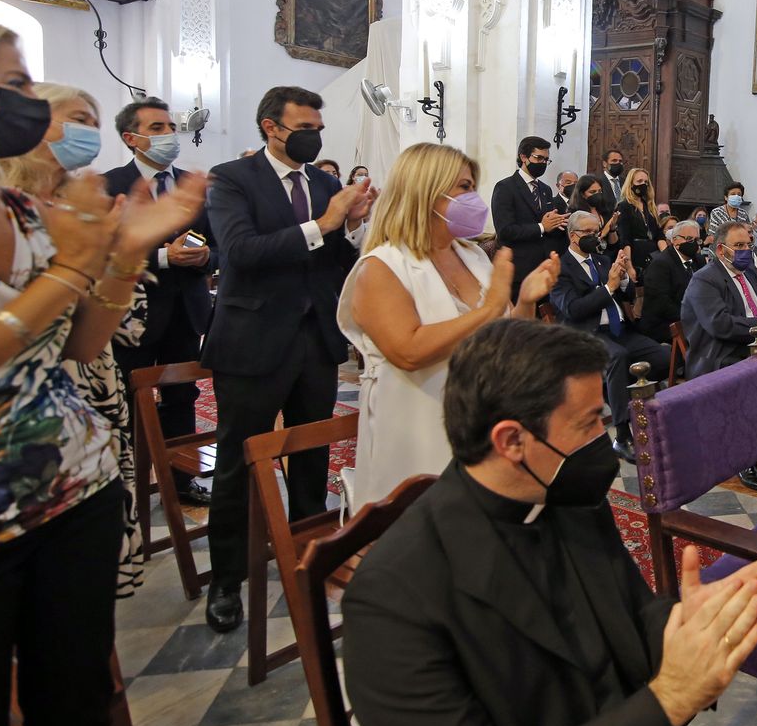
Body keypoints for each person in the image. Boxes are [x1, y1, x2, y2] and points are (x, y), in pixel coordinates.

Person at [0, 6, 204, 726]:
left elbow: (81, 342)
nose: (31, 105)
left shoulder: (20, 210)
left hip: (75, 490)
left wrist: (125, 255)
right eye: (13, 85)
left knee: (74, 709)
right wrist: (73, 269)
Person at [342, 318, 757, 726]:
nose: (602, 440)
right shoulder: (393, 598)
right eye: (587, 425)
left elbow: (630, 618)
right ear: (511, 440)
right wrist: (672, 698)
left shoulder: (569, 500)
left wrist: (689, 623)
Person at [200, 85, 374, 634]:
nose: (315, 135)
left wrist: (349, 228)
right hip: (253, 339)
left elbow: (331, 264)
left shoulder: (324, 184)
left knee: (310, 455)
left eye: (319, 126)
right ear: (272, 127)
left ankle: (306, 554)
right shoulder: (232, 179)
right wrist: (324, 225)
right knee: (238, 463)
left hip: (313, 342)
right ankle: (227, 578)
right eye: (305, 126)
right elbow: (241, 252)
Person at [339, 143, 557, 509]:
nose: (473, 198)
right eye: (462, 187)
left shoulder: (470, 255)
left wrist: (525, 301)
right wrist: (489, 306)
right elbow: (408, 352)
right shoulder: (383, 266)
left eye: (472, 186)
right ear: (425, 191)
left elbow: (499, 336)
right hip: (415, 421)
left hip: (481, 416)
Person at [1, 82, 151, 599]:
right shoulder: (1, 211)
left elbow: (111, 331)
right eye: (76, 119)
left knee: (83, 598)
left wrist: (128, 258)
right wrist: (80, 264)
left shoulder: (90, 205)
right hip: (19, 410)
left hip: (92, 397)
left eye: (94, 121)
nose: (88, 132)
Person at [104, 95, 215, 507]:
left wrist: (206, 256)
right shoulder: (109, 185)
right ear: (131, 138)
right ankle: (126, 488)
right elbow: (104, 252)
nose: (169, 134)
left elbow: (221, 247)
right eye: (156, 129)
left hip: (186, 313)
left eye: (170, 127)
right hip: (131, 314)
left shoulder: (193, 186)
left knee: (182, 400)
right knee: (129, 402)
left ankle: (182, 481)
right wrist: (165, 257)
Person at [550, 212, 669, 464]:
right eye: (589, 233)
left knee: (665, 357)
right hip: (586, 335)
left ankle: (629, 403)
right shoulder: (560, 268)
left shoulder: (602, 261)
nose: (596, 237)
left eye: (597, 232)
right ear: (573, 236)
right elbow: (573, 310)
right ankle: (622, 436)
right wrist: (609, 287)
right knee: (618, 358)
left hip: (620, 330)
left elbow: (624, 296)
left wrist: (624, 278)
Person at [680, 222, 757, 492]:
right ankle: (744, 459)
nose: (745, 251)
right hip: (719, 352)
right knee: (748, 377)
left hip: (752, 343)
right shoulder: (705, 278)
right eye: (738, 246)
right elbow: (718, 324)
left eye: (748, 245)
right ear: (721, 249)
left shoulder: (749, 273)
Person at [489, 135, 566, 297]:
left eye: (546, 160)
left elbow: (547, 225)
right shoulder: (505, 187)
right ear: (523, 157)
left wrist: (560, 223)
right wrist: (541, 227)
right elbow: (505, 231)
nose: (543, 163)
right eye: (539, 158)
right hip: (518, 268)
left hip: (543, 266)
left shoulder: (545, 189)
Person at [637, 219, 702, 343]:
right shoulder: (661, 264)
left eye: (697, 240)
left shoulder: (698, 260)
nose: (693, 243)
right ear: (675, 240)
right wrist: (692, 317)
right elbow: (662, 304)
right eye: (689, 239)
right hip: (664, 325)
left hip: (692, 320)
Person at [615, 167, 667, 271]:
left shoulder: (650, 206)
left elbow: (659, 236)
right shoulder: (624, 206)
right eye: (639, 181)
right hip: (635, 254)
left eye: (646, 182)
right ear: (631, 184)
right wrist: (629, 266)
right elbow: (625, 239)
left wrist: (667, 258)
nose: (643, 184)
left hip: (653, 255)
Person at [572, 172, 621, 249]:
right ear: (582, 194)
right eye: (592, 192)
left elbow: (613, 244)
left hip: (606, 256)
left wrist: (612, 228)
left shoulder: (605, 210)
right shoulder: (575, 214)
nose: (597, 195)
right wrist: (603, 232)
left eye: (599, 191)